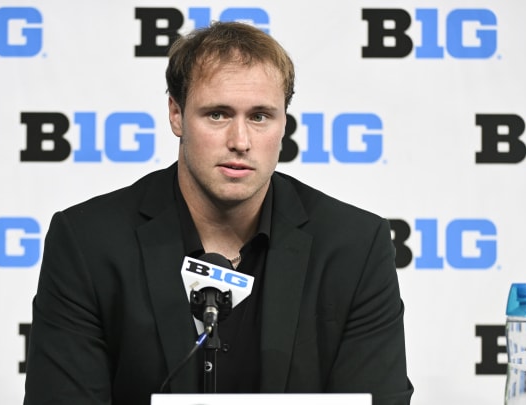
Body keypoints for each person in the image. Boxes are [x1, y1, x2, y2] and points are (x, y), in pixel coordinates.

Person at [24, 21, 413, 405]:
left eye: (260, 116)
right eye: (217, 115)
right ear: (176, 115)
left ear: (284, 125)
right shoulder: (88, 242)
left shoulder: (355, 246)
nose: (240, 141)